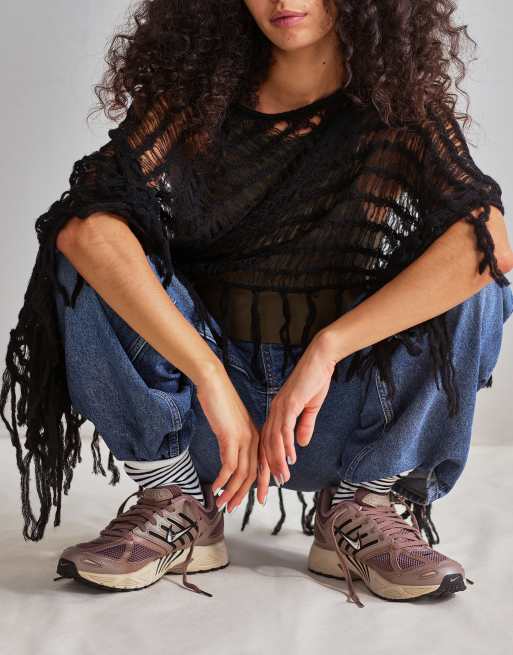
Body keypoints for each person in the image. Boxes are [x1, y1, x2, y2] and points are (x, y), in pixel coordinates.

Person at [2, 0, 513, 609]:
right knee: (91, 254)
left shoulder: (399, 110)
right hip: (207, 424)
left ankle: (364, 505)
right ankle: (178, 500)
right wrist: (208, 375)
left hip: (336, 418)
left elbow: (488, 243)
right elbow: (85, 231)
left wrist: (328, 348)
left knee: (476, 273)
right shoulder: (192, 101)